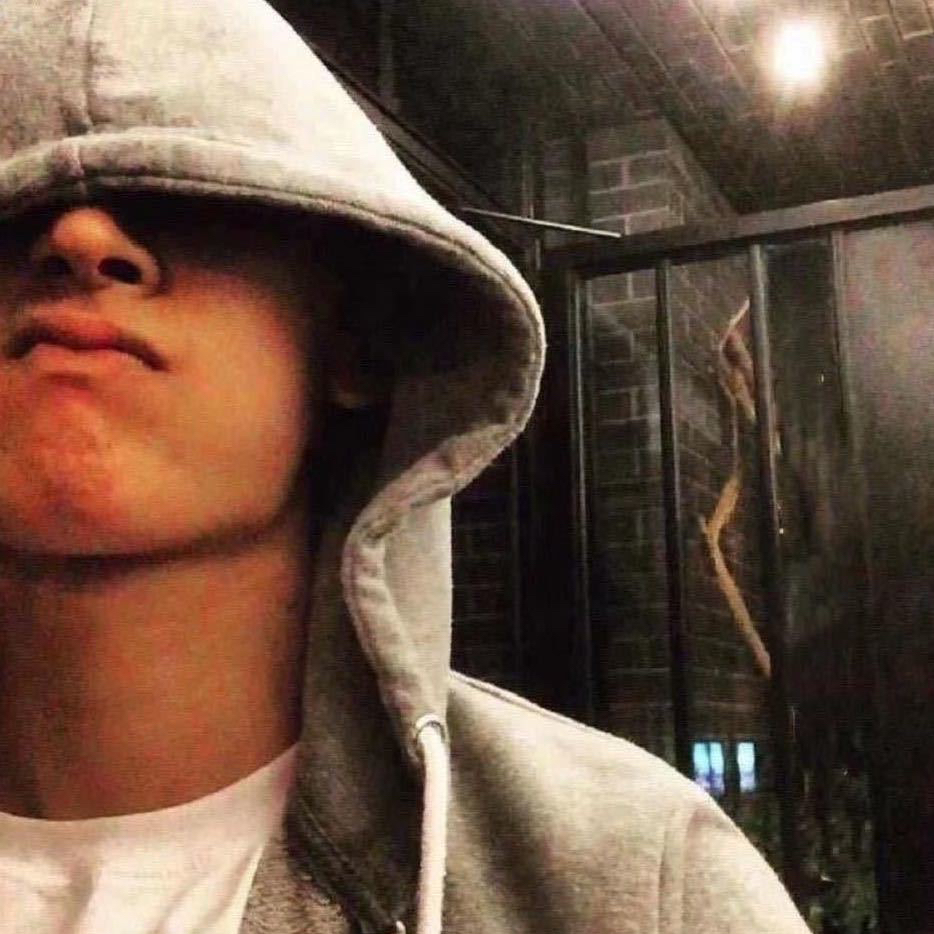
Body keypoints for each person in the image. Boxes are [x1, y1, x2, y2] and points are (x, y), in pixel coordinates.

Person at [0, 1, 812, 932]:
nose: (81, 238)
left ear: (354, 343)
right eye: (14, 203)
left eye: (197, 196)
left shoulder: (632, 882)